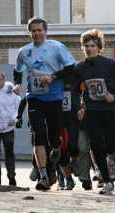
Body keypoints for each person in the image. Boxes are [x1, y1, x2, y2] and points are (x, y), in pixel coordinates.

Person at [13, 17, 76, 190]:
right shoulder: (24, 52)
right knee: (38, 135)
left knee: (53, 138)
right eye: (33, 30)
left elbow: (71, 67)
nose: (37, 33)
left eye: (40, 30)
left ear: (46, 31)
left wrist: (53, 77)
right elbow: (17, 71)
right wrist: (18, 83)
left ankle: (56, 149)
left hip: (54, 98)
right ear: (29, 33)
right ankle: (43, 176)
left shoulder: (56, 47)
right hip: (34, 98)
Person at [74, 29, 115, 195]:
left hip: (108, 109)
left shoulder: (109, 64)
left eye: (92, 45)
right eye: (86, 46)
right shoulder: (80, 68)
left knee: (112, 145)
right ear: (83, 48)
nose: (89, 48)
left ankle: (110, 160)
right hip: (92, 110)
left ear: (99, 47)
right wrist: (80, 107)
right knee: (96, 145)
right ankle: (107, 181)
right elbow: (76, 90)